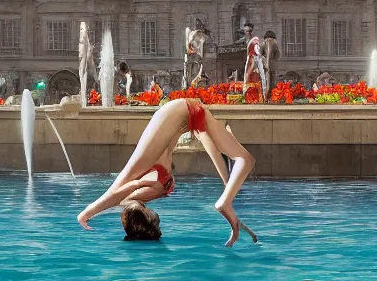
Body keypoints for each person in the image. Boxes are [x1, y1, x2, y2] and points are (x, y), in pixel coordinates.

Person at [77, 98, 258, 246]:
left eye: (155, 222)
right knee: (245, 159)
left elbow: (117, 191)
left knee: (246, 160)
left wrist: (87, 213)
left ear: (148, 217)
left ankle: (224, 203)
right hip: (184, 112)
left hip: (179, 111)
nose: (158, 221)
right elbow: (202, 133)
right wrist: (227, 185)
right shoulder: (140, 195)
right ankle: (225, 203)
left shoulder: (137, 194)